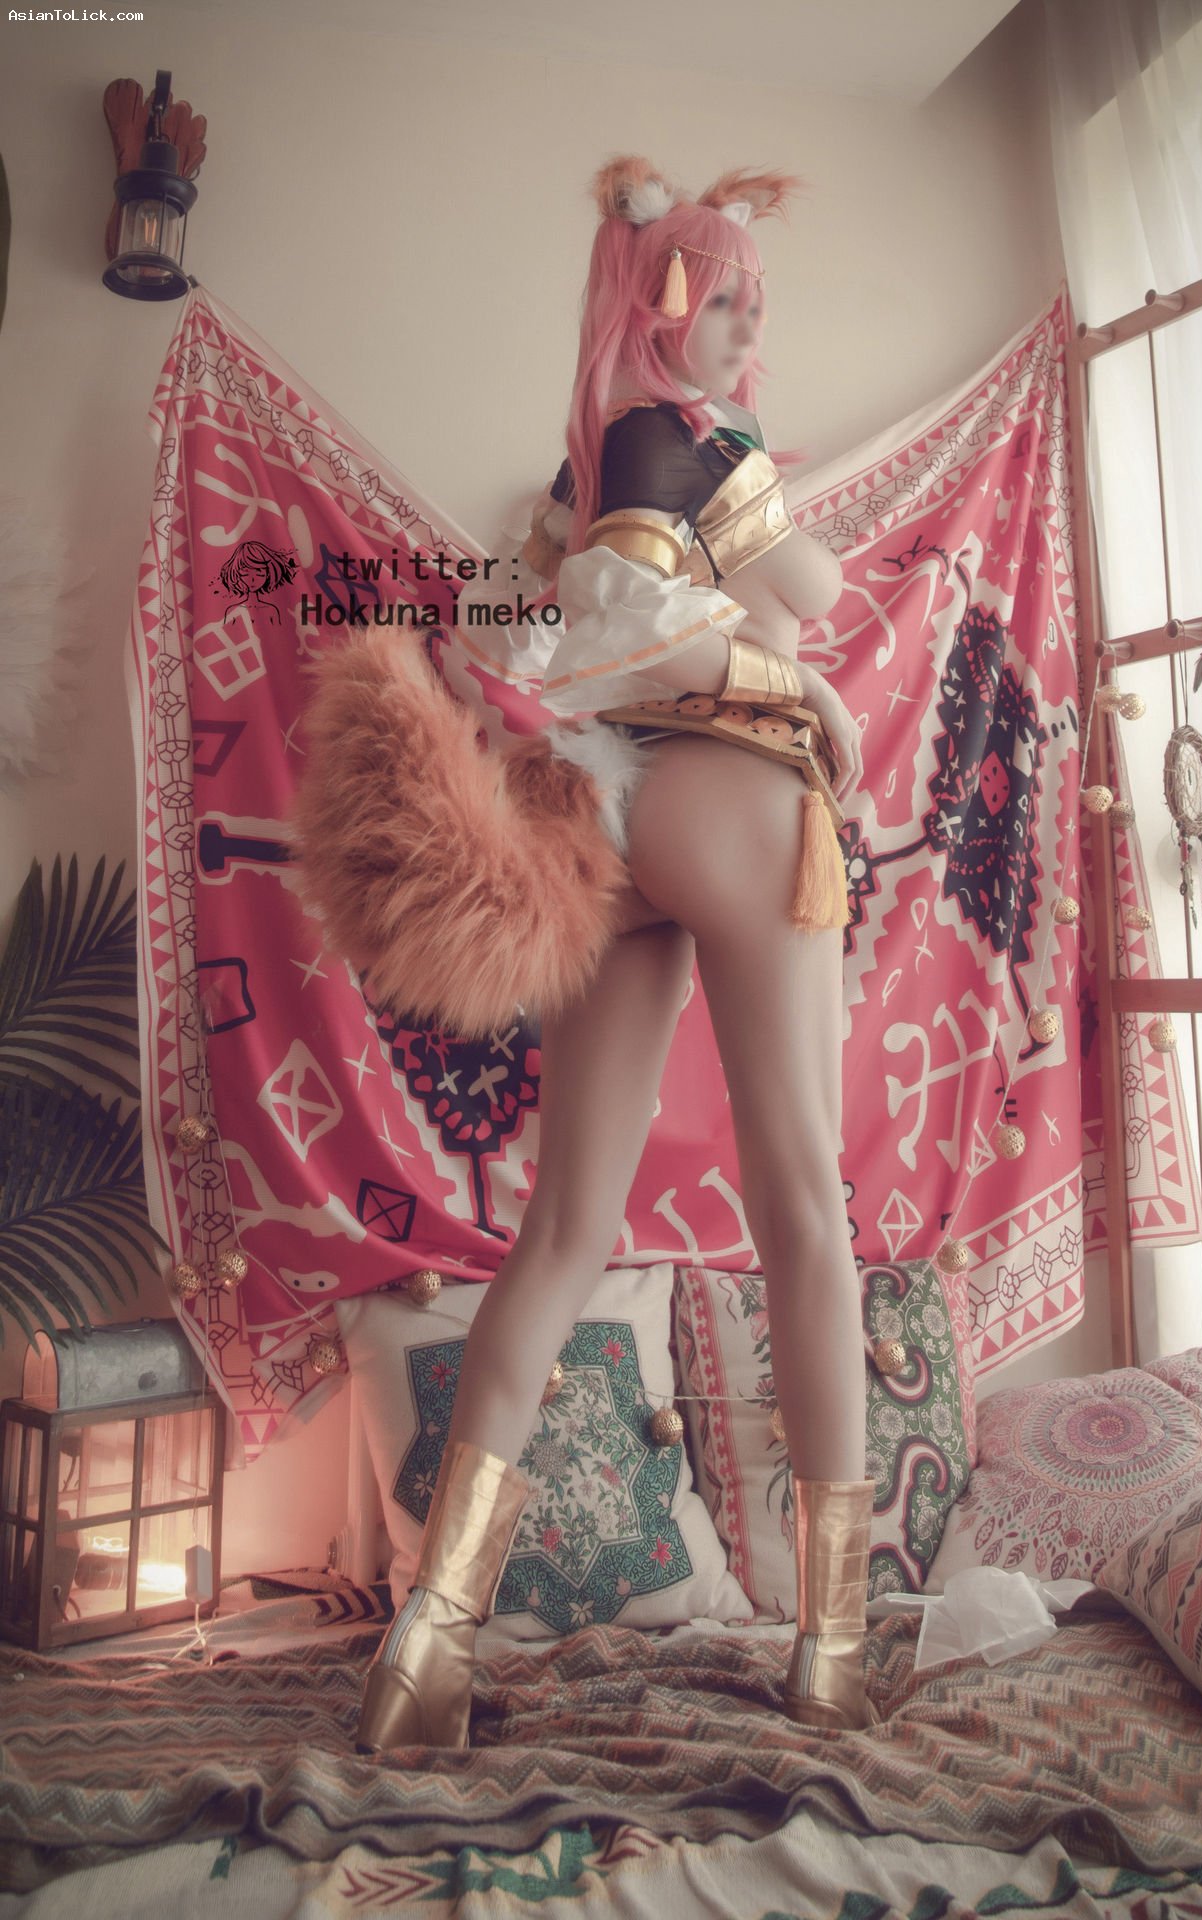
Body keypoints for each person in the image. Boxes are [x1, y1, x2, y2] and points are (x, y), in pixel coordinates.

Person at [347, 156, 877, 1754]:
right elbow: (813, 588)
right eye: (726, 304)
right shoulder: (708, 444)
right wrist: (800, 658)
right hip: (731, 789)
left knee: (564, 1229)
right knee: (805, 1209)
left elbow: (543, 622)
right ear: (660, 310)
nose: (748, 331)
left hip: (609, 809)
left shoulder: (581, 471)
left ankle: (428, 1645)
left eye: (759, 307)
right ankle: (835, 1650)